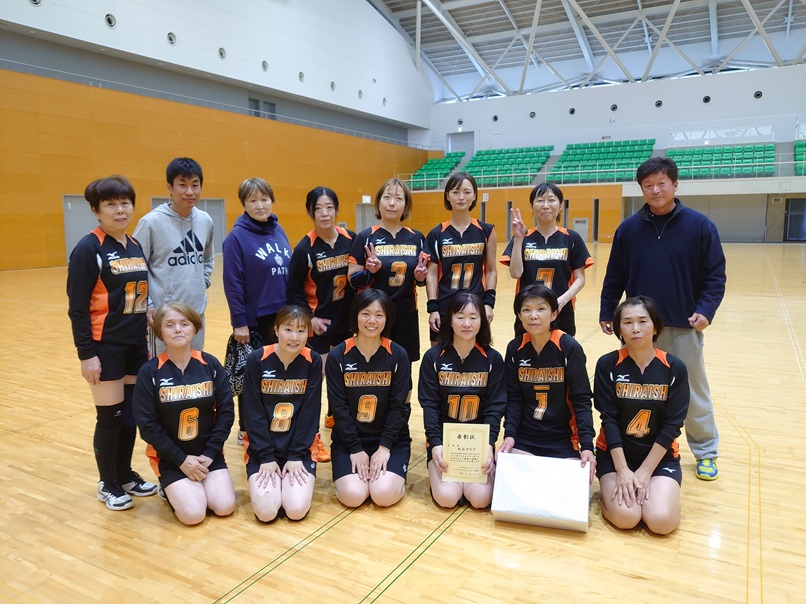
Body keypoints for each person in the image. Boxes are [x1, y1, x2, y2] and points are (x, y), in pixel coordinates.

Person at [599, 157, 726, 481]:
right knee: (633, 392)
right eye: (648, 185)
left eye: (661, 183)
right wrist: (607, 311)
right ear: (641, 189)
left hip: (683, 326)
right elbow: (614, 276)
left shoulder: (700, 226)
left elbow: (715, 276)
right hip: (637, 328)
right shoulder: (628, 229)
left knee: (693, 392)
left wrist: (706, 310)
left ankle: (706, 452)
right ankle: (634, 448)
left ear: (675, 184)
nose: (655, 190)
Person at [67, 175, 158, 510]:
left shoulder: (133, 245)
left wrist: (152, 315)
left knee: (130, 414)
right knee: (110, 416)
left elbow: (137, 295)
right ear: (96, 210)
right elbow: (77, 308)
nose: (120, 210)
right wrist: (86, 354)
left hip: (135, 344)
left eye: (125, 203)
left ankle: (124, 475)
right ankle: (107, 483)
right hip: (105, 346)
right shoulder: (88, 249)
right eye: (110, 204)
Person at [133, 303, 236, 526]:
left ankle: (191, 488)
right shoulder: (149, 372)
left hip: (208, 454)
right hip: (171, 458)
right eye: (170, 325)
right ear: (160, 332)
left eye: (184, 324)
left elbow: (226, 412)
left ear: (194, 328)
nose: (178, 329)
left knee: (225, 506)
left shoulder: (210, 364)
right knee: (193, 515)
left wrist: (210, 452)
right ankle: (169, 487)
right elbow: (148, 426)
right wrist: (181, 460)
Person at [594, 296, 689, 535]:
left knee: (661, 522)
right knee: (627, 518)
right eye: (627, 322)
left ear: (655, 327)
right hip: (615, 456)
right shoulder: (607, 365)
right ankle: (607, 499)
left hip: (660, 459)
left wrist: (645, 471)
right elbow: (608, 419)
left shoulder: (674, 368)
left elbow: (673, 425)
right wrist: (623, 470)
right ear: (619, 330)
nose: (635, 329)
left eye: (642, 321)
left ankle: (656, 498)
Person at [222, 177, 295, 449]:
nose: (260, 205)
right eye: (253, 200)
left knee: (278, 374)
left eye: (264, 199)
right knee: (252, 377)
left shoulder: (279, 230)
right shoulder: (236, 238)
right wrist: (239, 322)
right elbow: (233, 283)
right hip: (255, 320)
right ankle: (246, 429)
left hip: (282, 317)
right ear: (244, 204)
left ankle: (274, 422)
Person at [498, 285, 596, 483]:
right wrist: (510, 434)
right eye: (526, 310)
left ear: (554, 314)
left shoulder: (569, 347)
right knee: (510, 486)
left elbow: (581, 399)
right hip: (525, 438)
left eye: (541, 309)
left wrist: (586, 446)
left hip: (562, 439)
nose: (533, 316)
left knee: (568, 490)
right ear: (519, 315)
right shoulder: (515, 348)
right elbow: (514, 398)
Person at [418, 292, 505, 509]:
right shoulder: (433, 358)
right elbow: (429, 405)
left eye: (473, 317)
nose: (467, 323)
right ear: (450, 320)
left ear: (482, 321)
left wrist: (489, 444)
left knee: (481, 500)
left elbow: (495, 406)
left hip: (478, 443)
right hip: (444, 442)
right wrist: (435, 444)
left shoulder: (493, 359)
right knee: (447, 498)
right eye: (460, 317)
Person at [326, 290, 411, 508]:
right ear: (355, 315)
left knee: (383, 495)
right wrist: (355, 448)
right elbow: (339, 408)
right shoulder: (338, 356)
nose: (372, 321)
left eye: (379, 315)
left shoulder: (398, 355)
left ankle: (394, 479)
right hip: (349, 440)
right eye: (365, 314)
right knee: (353, 496)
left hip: (391, 440)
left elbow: (400, 407)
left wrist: (384, 447)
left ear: (387, 318)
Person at [241, 306, 322, 522]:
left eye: (301, 331)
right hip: (263, 449)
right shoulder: (257, 359)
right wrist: (266, 456)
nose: (294, 337)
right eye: (288, 330)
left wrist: (296, 455)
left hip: (299, 449)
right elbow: (252, 412)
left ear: (308, 333)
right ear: (276, 330)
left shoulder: (313, 360)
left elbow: (310, 412)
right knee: (266, 512)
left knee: (296, 510)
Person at [288, 186, 356, 428]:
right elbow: (293, 290)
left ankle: (333, 416)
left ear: (336, 210)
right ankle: (309, 431)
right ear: (310, 212)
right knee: (319, 375)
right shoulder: (304, 248)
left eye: (329, 207)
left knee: (343, 373)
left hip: (346, 321)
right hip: (319, 323)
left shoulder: (351, 239)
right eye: (318, 208)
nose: (325, 213)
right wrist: (309, 318)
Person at [133, 157, 214, 354]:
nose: (190, 191)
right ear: (169, 187)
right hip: (163, 315)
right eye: (182, 185)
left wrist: (202, 281)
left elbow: (207, 258)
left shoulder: (205, 221)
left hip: (195, 312)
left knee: (194, 364)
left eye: (195, 185)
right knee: (162, 368)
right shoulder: (150, 223)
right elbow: (134, 266)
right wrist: (146, 304)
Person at [348, 178, 428, 365]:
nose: (392, 203)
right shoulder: (365, 237)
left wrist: (420, 278)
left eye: (399, 198)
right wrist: (369, 272)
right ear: (378, 202)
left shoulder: (417, 238)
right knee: (374, 366)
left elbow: (422, 280)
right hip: (374, 314)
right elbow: (352, 281)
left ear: (406, 205)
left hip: (406, 313)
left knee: (403, 369)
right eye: (387, 197)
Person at [500, 182, 592, 336]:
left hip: (561, 310)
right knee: (526, 351)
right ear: (532, 207)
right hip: (529, 311)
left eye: (551, 200)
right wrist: (518, 239)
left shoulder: (571, 238)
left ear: (560, 205)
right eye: (540, 200)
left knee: (561, 350)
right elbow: (515, 273)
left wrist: (561, 301)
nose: (546, 205)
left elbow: (580, 279)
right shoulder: (523, 237)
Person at [425, 172, 498, 343]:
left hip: (475, 306)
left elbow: (491, 270)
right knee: (439, 353)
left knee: (478, 353)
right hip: (445, 306)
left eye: (467, 192)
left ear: (474, 196)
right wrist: (432, 308)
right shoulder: (437, 234)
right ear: (447, 196)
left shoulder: (486, 231)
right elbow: (431, 274)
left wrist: (489, 303)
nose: (461, 197)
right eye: (456, 192)